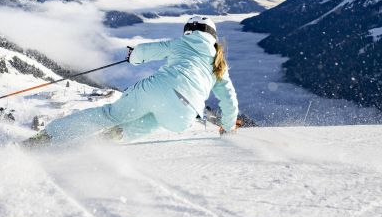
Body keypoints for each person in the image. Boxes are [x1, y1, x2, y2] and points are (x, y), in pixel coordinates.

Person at [28, 16, 239, 144]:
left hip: (156, 89)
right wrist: (228, 127)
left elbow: (147, 51)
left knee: (109, 114)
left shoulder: (179, 44)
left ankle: (48, 138)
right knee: (155, 119)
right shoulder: (219, 65)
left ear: (189, 31)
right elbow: (229, 101)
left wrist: (133, 56)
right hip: (184, 114)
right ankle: (111, 139)